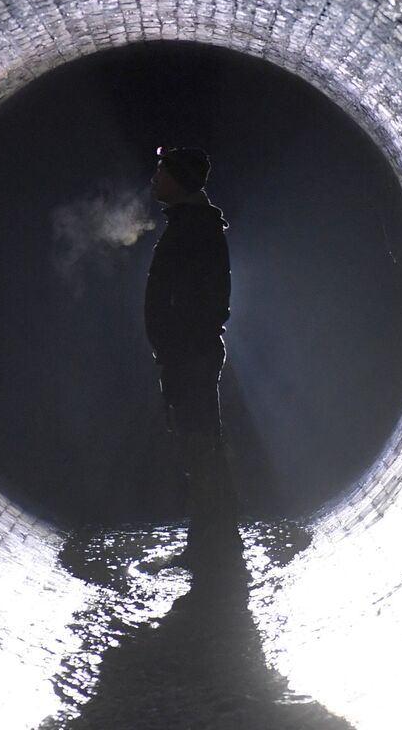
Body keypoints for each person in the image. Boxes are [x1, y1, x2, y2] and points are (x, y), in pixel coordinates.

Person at [145, 146, 241, 571]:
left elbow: (201, 300)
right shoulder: (193, 224)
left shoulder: (193, 229)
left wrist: (178, 348)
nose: (154, 180)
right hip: (188, 353)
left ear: (178, 180)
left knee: (200, 446)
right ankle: (212, 542)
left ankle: (214, 546)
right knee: (199, 445)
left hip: (190, 355)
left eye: (161, 173)